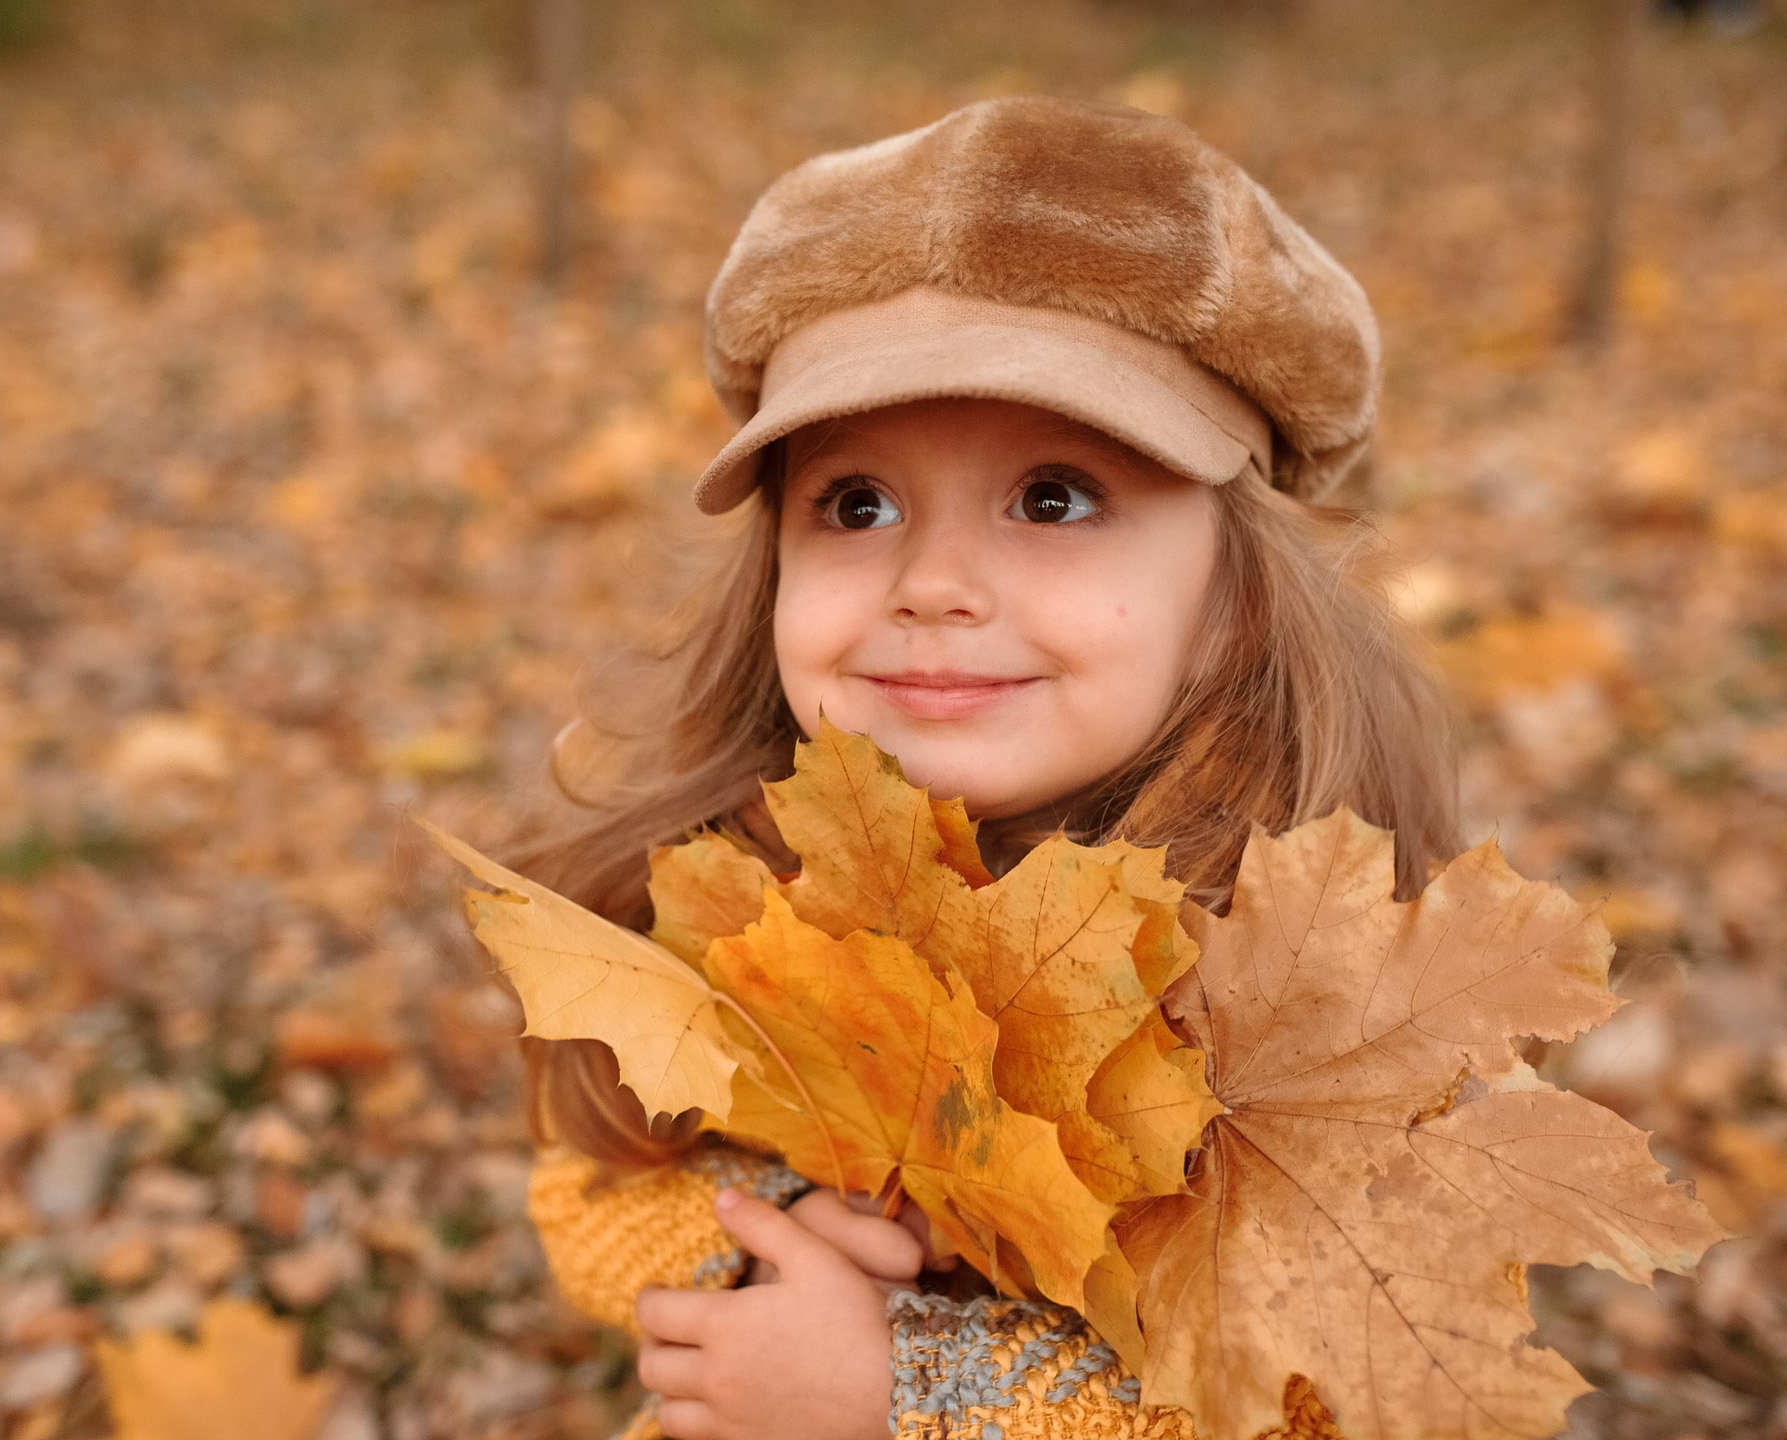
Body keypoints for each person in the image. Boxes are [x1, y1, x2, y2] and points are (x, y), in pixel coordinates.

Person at [508, 96, 1461, 1440]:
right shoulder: (745, 880)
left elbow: (1333, 1399)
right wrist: (772, 1240)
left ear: (1239, 594)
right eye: (858, 504)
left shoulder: (1316, 995)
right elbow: (589, 1179)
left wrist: (919, 1388)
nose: (935, 582)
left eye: (1053, 497)